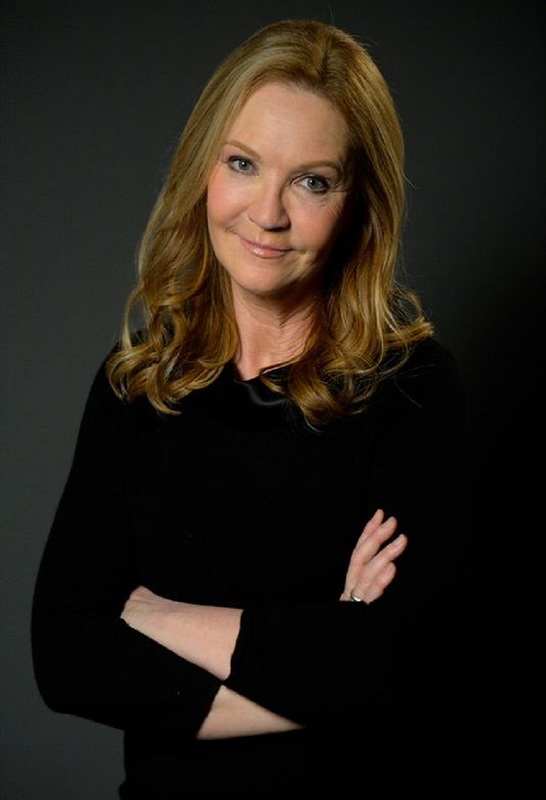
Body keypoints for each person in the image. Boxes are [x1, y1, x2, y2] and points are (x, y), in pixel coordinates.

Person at [31, 18, 468, 798]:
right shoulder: (140, 384)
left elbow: (399, 661)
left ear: (358, 203)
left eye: (312, 181)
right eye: (242, 164)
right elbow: (65, 658)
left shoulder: (410, 388)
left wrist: (157, 618)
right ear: (203, 169)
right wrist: (324, 660)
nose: (268, 213)